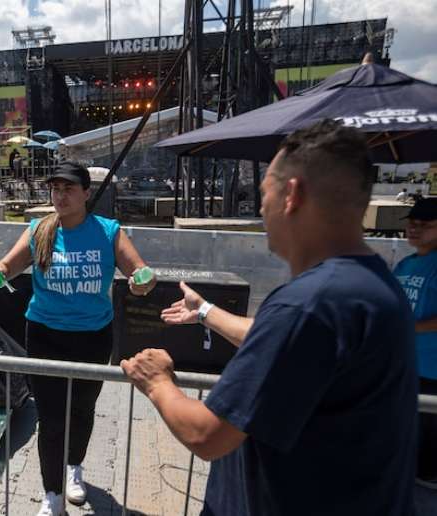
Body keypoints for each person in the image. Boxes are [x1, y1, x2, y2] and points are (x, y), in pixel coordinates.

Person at [121, 120, 418, 516]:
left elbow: (206, 435)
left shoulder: (307, 304)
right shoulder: (374, 287)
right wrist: (205, 312)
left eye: (264, 193)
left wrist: (157, 381)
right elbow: (284, 346)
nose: (261, 209)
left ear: (291, 195)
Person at [0, 162, 156, 516]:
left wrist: (142, 281)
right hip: (45, 336)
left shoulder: (108, 231)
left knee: (81, 410)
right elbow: (7, 267)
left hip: (93, 338)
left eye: (69, 189)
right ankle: (52, 493)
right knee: (51, 417)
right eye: (55, 189)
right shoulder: (38, 230)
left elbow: (140, 273)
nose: (60, 196)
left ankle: (75, 467)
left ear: (86, 194)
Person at [394, 197, 437, 490]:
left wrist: (409, 328)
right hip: (405, 367)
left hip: (433, 371)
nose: (414, 229)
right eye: (411, 223)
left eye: (424, 225)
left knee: (428, 458)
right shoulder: (405, 264)